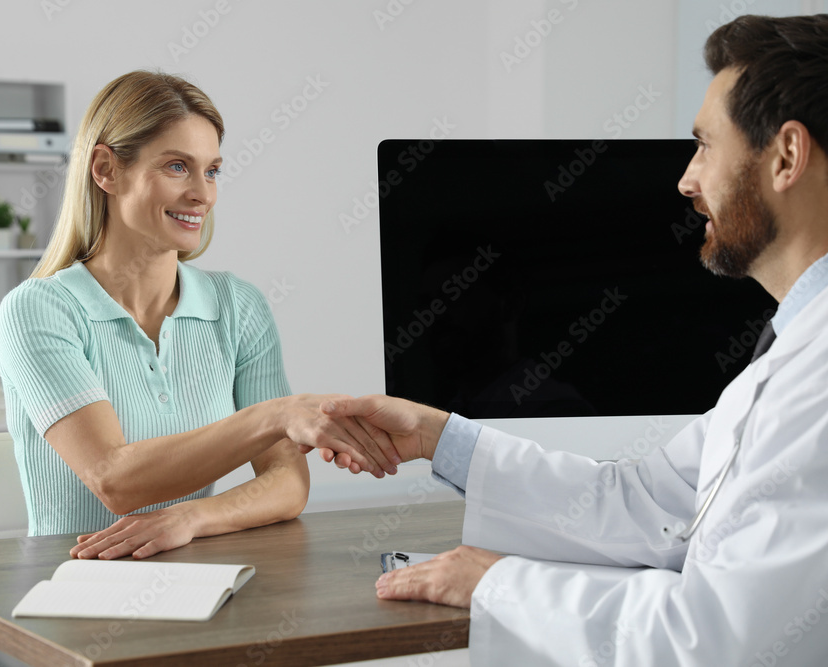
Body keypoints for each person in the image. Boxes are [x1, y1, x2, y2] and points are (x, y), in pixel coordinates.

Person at [314, 14, 828, 665]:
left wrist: (495, 581)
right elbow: (648, 502)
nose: (686, 180)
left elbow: (718, 642)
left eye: (704, 145)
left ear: (785, 156)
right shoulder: (794, 350)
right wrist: (441, 437)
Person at [0, 71, 400, 561]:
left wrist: (191, 517)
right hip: (71, 587)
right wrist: (275, 416)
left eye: (212, 171)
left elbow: (287, 483)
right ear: (105, 169)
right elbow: (114, 480)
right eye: (176, 167)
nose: (202, 195)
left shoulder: (238, 307)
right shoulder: (38, 310)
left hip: (190, 578)